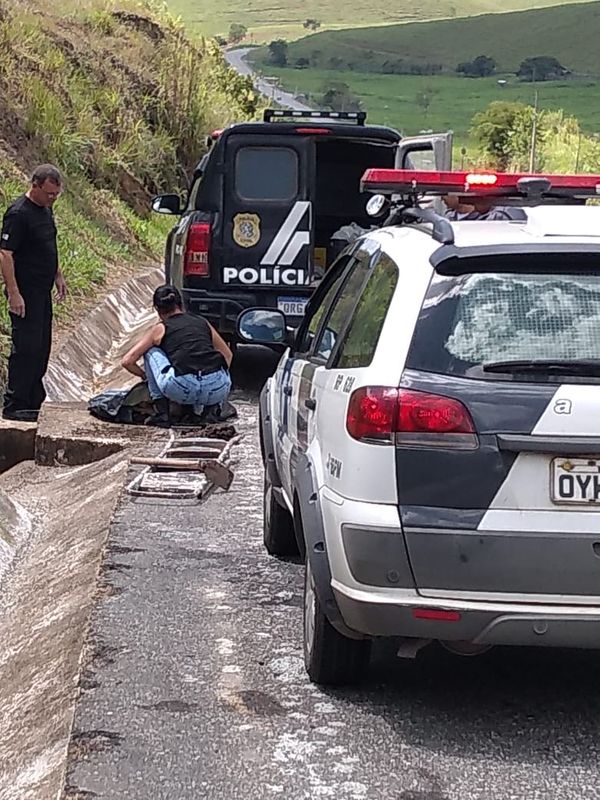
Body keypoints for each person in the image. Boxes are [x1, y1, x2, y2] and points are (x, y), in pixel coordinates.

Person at [1, 164, 67, 422]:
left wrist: (57, 274)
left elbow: (48, 244)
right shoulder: (19, 214)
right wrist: (14, 293)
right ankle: (15, 403)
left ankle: (32, 401)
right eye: (49, 193)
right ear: (35, 186)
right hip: (25, 292)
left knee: (41, 348)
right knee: (26, 348)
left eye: (56, 194)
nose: (53, 198)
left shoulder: (46, 210)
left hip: (42, 291)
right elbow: (5, 254)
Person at [121, 285, 232, 427]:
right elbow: (227, 355)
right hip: (217, 389)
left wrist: (146, 376)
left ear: (157, 309)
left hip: (181, 388)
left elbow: (127, 361)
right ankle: (211, 412)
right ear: (181, 305)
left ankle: (162, 413)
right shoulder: (202, 322)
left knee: (150, 351)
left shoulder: (160, 328)